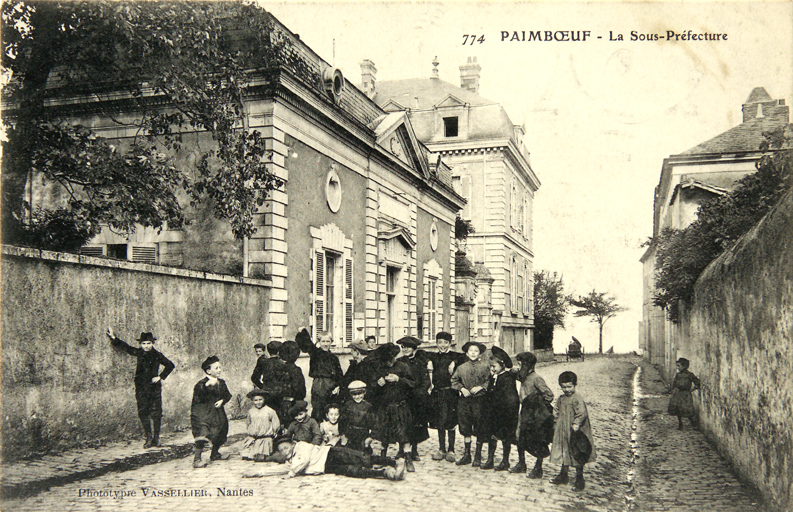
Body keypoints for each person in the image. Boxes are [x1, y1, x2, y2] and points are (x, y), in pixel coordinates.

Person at [106, 327, 175, 449]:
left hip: (154, 388)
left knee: (156, 413)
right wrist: (114, 338)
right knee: (143, 411)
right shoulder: (139, 353)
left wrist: (160, 377)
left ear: (152, 343)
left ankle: (156, 438)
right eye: (144, 343)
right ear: (140, 344)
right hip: (141, 387)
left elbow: (170, 365)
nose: (146, 346)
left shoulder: (157, 355)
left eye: (149, 343)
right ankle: (148, 437)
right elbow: (126, 348)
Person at [367, 343, 417, 471]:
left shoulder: (403, 367)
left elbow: (412, 384)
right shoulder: (379, 368)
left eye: (390, 360)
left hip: (400, 406)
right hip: (385, 407)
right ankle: (383, 459)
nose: (388, 363)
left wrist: (398, 379)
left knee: (403, 434)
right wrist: (378, 384)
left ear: (394, 357)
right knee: (384, 435)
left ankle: (408, 459)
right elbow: (371, 388)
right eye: (386, 361)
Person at [266, 436, 406, 481]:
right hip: (326, 467)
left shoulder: (302, 446)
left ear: (293, 444)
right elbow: (279, 468)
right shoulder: (289, 461)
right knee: (352, 471)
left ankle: (394, 462)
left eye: (286, 448)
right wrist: (257, 473)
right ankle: (385, 473)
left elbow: (303, 460)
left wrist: (291, 473)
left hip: (331, 453)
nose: (285, 452)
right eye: (281, 451)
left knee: (362, 458)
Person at [550, 371, 596, 491]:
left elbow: (582, 413)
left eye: (569, 386)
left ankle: (579, 479)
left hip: (575, 432)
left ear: (575, 385)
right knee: (564, 452)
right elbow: (556, 410)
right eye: (564, 387)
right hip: (563, 431)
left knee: (576, 453)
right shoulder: (561, 398)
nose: (567, 390)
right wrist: (555, 420)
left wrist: (576, 424)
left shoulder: (577, 399)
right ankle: (563, 475)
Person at [512, 352, 554, 477]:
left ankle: (538, 467)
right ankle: (521, 463)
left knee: (537, 439)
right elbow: (517, 374)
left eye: (520, 365)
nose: (519, 367)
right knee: (520, 436)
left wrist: (535, 401)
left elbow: (549, 395)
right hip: (524, 411)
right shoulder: (524, 376)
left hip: (534, 413)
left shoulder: (536, 378)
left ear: (527, 365)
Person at [480, 346, 520, 471]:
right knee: (492, 435)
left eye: (494, 367)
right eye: (491, 366)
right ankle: (490, 459)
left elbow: (510, 398)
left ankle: (505, 461)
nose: (492, 369)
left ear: (502, 365)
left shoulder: (507, 378)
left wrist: (505, 411)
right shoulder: (494, 377)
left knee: (505, 437)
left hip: (503, 413)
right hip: (493, 413)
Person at [427, 331, 465, 462]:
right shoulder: (433, 356)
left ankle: (451, 450)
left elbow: (465, 357)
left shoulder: (455, 356)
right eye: (440, 343)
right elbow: (421, 354)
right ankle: (441, 449)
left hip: (450, 393)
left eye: (445, 343)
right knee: (440, 421)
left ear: (450, 344)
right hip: (438, 392)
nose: (442, 345)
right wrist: (429, 363)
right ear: (436, 343)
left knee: (451, 421)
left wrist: (454, 362)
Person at [450, 341, 490, 466]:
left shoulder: (485, 366)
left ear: (480, 354)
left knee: (479, 425)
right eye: (471, 351)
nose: (473, 353)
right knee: (465, 425)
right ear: (467, 353)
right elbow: (454, 380)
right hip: (465, 401)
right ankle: (467, 454)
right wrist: (462, 389)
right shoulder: (461, 368)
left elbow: (490, 380)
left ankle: (477, 455)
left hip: (479, 401)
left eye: (476, 351)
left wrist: (481, 387)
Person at [191, 355, 233, 468]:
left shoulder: (221, 383)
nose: (219, 370)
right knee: (203, 433)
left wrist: (222, 401)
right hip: (204, 414)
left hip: (218, 413)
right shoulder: (200, 384)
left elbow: (228, 395)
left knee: (221, 431)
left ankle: (214, 454)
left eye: (220, 368)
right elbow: (198, 399)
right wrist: (205, 387)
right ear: (208, 371)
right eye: (216, 368)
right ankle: (196, 460)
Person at [296, 329, 343, 422]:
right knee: (318, 410)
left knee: (331, 410)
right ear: (319, 342)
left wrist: (338, 386)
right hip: (319, 385)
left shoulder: (334, 358)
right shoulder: (315, 353)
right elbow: (307, 344)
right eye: (323, 341)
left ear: (331, 342)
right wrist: (303, 331)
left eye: (328, 341)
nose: (325, 344)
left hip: (331, 387)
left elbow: (339, 374)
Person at [397, 336, 431, 463]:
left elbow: (426, 381)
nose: (405, 349)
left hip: (416, 399)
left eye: (408, 347)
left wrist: (420, 393)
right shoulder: (399, 362)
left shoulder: (420, 363)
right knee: (402, 424)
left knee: (415, 424)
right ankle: (401, 450)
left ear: (414, 349)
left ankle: (414, 450)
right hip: (403, 398)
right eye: (403, 347)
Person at [240, 389, 280, 461]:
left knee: (261, 457)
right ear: (252, 401)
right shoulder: (251, 411)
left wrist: (273, 432)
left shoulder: (270, 411)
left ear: (264, 399)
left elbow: (276, 424)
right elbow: (248, 423)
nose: (258, 402)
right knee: (246, 456)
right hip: (253, 438)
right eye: (256, 400)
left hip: (265, 438)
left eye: (260, 399)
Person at [339, 380, 375, 454]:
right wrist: (343, 436)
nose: (357, 397)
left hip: (363, 435)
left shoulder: (368, 407)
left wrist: (370, 438)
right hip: (350, 435)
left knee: (363, 456)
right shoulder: (348, 405)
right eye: (354, 395)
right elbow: (342, 421)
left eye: (360, 394)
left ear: (364, 392)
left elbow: (375, 424)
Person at [279, 340, 306, 427]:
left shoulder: (279, 369)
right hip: (293, 404)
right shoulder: (296, 370)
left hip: (281, 403)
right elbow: (300, 390)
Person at [668, 358, 700, 430]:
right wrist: (672, 391)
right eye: (677, 366)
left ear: (684, 366)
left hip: (686, 394)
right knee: (678, 409)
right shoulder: (678, 375)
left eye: (679, 366)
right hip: (678, 393)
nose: (678, 368)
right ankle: (680, 424)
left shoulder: (690, 375)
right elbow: (674, 384)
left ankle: (693, 423)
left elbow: (697, 382)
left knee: (688, 408)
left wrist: (693, 389)